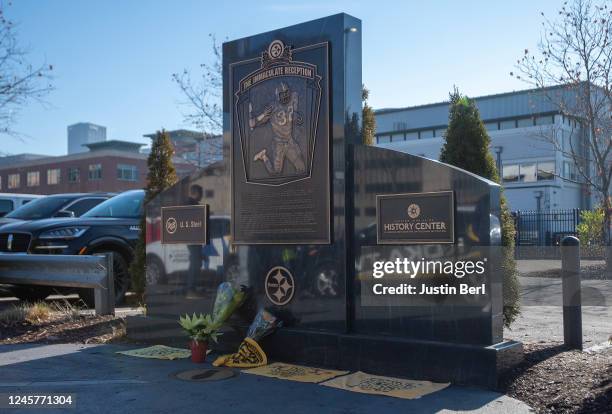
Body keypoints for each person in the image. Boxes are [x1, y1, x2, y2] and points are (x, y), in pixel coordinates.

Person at [249, 82, 305, 175]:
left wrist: (297, 117)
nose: (285, 96)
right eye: (282, 94)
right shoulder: (272, 107)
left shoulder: (293, 100)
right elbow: (253, 124)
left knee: (302, 168)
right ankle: (264, 157)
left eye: (287, 92)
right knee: (275, 172)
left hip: (290, 141)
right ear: (277, 95)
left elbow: (292, 114)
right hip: (278, 143)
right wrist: (252, 115)